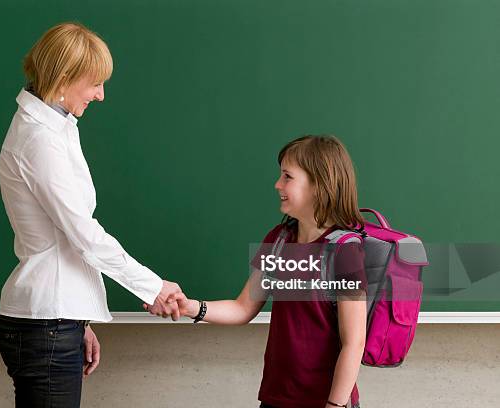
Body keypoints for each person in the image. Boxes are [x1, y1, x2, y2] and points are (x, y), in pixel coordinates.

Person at [0, 22, 182, 408]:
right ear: (63, 78)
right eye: (94, 83)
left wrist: (79, 319)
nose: (100, 95)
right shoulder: (39, 139)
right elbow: (83, 233)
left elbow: (65, 238)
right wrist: (153, 287)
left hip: (54, 320)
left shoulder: (54, 127)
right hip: (45, 325)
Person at [148, 135, 368, 408]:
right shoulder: (279, 240)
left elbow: (354, 343)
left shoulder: (343, 252)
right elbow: (242, 308)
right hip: (276, 398)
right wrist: (189, 307)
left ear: (319, 184)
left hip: (327, 402)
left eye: (287, 176)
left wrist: (334, 405)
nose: (278, 184)